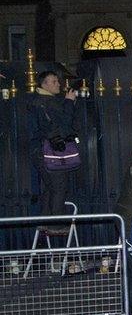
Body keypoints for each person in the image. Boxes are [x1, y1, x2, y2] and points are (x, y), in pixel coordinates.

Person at [26, 70, 79, 231]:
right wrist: (69, 102)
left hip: (38, 150)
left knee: (50, 186)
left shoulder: (36, 101)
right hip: (51, 151)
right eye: (54, 81)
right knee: (59, 186)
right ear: (44, 84)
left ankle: (45, 219)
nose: (58, 84)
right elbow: (64, 125)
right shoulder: (49, 101)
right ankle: (57, 224)